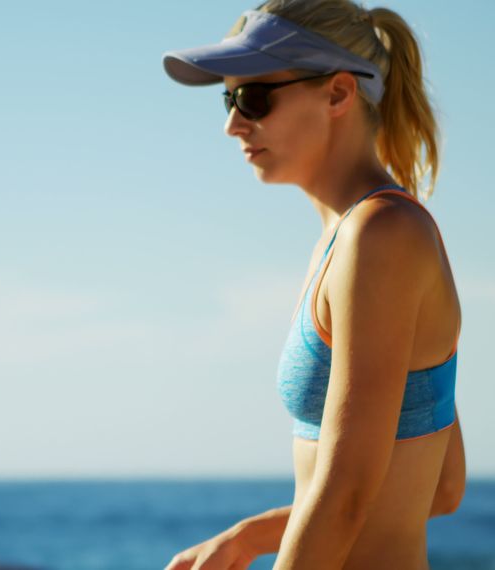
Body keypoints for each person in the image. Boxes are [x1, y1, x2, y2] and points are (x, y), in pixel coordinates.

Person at [161, 2, 465, 569]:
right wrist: (251, 536)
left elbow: (346, 496)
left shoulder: (380, 237)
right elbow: (441, 487)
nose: (232, 123)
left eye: (254, 98)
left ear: (337, 94)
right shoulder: (361, 233)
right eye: (228, 99)